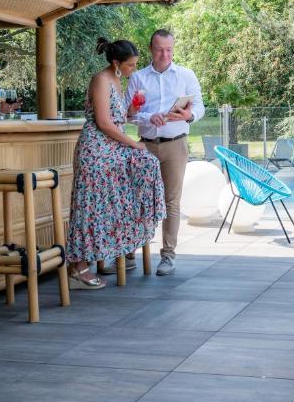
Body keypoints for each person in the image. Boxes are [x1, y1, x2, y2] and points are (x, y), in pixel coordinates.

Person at [66, 38, 166, 289]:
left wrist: (132, 109)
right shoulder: (101, 79)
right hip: (96, 151)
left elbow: (120, 117)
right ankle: (78, 268)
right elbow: (103, 122)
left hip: (111, 149)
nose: (134, 69)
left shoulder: (118, 80)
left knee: (144, 168)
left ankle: (121, 240)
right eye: (130, 65)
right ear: (115, 63)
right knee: (89, 207)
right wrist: (134, 144)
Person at [126, 29, 204, 276]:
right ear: (151, 48)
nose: (165, 54)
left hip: (175, 144)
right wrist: (151, 116)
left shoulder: (185, 75)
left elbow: (200, 106)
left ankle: (168, 256)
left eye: (169, 49)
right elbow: (129, 114)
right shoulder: (138, 78)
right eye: (160, 49)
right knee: (139, 198)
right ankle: (129, 253)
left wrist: (189, 115)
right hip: (146, 144)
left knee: (172, 200)